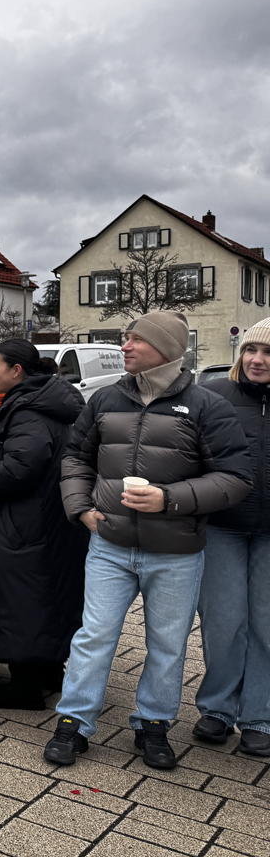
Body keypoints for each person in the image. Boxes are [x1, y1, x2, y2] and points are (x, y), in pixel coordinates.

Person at [47, 311, 252, 771]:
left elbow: (236, 478)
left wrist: (169, 500)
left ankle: (153, 724)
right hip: (110, 544)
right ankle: (73, 722)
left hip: (177, 551)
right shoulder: (104, 400)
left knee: (169, 642)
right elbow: (76, 457)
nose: (125, 345)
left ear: (168, 348)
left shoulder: (205, 406)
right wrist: (80, 509)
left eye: (136, 338)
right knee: (94, 635)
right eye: (126, 337)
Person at [0, 340, 87, 709]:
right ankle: (49, 671)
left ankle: (25, 686)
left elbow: (21, 465)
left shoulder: (29, 410)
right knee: (45, 593)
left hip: (24, 520)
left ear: (17, 371)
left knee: (18, 594)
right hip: (50, 517)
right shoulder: (49, 401)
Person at [193, 317, 270, 757]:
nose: (257, 360)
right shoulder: (214, 396)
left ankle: (259, 716)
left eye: (268, 354)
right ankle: (218, 709)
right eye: (251, 351)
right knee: (223, 624)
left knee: (266, 627)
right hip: (222, 525)